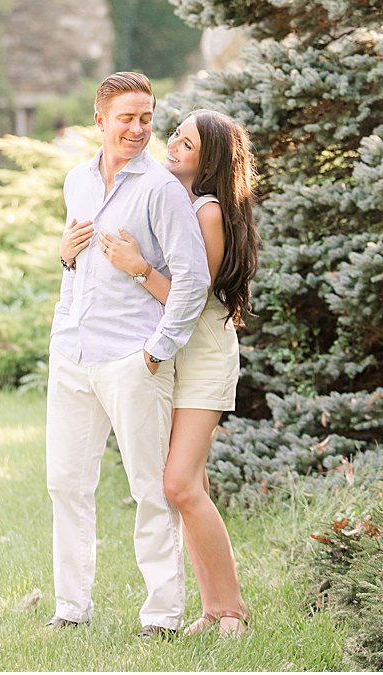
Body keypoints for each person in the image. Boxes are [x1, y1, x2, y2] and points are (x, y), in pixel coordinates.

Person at [68, 108, 259, 639]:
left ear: (210, 159)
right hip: (175, 357)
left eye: (187, 144)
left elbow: (192, 300)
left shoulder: (209, 212)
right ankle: (211, 609)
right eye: (175, 137)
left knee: (178, 484)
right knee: (186, 484)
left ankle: (233, 611)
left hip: (204, 358)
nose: (171, 146)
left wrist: (138, 268)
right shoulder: (178, 201)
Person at [44, 71, 210, 637]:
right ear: (100, 120)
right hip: (73, 352)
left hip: (131, 359)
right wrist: (66, 263)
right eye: (127, 118)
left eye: (147, 118)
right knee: (65, 482)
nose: (138, 129)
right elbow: (79, 263)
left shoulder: (160, 190)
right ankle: (71, 609)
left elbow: (193, 281)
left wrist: (157, 351)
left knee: (148, 488)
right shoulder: (77, 182)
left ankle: (161, 616)